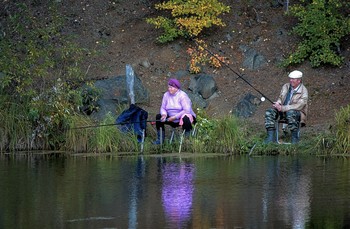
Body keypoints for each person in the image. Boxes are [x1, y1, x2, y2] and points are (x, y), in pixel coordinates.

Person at [265, 70, 308, 144]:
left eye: (293, 79)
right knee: (270, 112)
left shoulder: (304, 91)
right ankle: (270, 138)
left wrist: (283, 108)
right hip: (283, 110)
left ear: (299, 80)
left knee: (291, 113)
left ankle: (294, 139)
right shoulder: (286, 86)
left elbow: (299, 106)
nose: (291, 81)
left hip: (297, 114)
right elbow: (281, 97)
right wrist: (278, 103)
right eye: (290, 78)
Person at [153, 78, 196, 144]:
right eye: (168, 87)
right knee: (158, 117)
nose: (169, 89)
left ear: (176, 88)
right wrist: (164, 115)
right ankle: (160, 140)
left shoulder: (182, 95)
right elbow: (163, 107)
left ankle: (188, 139)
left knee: (186, 118)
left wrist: (175, 117)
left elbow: (187, 110)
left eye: (171, 87)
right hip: (171, 118)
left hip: (182, 117)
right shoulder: (166, 95)